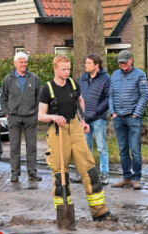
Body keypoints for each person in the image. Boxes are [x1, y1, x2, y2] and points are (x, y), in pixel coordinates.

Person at [38, 54, 117, 222]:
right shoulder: (47, 89)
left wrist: (83, 121)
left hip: (75, 128)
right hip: (58, 132)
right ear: (55, 69)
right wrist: (53, 117)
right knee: (61, 174)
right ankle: (64, 214)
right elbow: (40, 115)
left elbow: (80, 102)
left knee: (89, 168)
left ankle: (100, 212)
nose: (67, 72)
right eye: (63, 69)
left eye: (69, 69)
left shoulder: (74, 84)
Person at [109, 50, 148, 190]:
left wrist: (136, 114)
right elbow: (111, 95)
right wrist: (113, 112)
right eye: (120, 62)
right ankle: (127, 178)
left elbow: (145, 95)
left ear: (131, 60)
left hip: (133, 118)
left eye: (125, 62)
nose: (122, 64)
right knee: (122, 150)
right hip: (118, 118)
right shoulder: (115, 75)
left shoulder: (140, 74)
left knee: (135, 150)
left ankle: (136, 178)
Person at [0, 52, 42, 182]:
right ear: (15, 63)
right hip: (14, 117)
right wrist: (6, 112)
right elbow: (3, 98)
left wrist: (36, 112)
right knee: (14, 146)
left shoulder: (34, 78)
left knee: (31, 146)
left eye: (25, 62)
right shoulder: (8, 78)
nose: (23, 64)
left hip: (30, 116)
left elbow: (39, 97)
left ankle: (32, 171)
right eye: (21, 62)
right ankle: (15, 172)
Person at [78, 53, 111, 185]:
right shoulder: (83, 79)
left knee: (101, 147)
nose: (85, 65)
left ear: (96, 65)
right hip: (85, 119)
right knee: (86, 147)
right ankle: (89, 173)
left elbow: (109, 98)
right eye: (86, 62)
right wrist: (81, 115)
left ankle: (104, 174)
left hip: (98, 118)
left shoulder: (106, 79)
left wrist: (96, 111)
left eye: (88, 63)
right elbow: (78, 98)